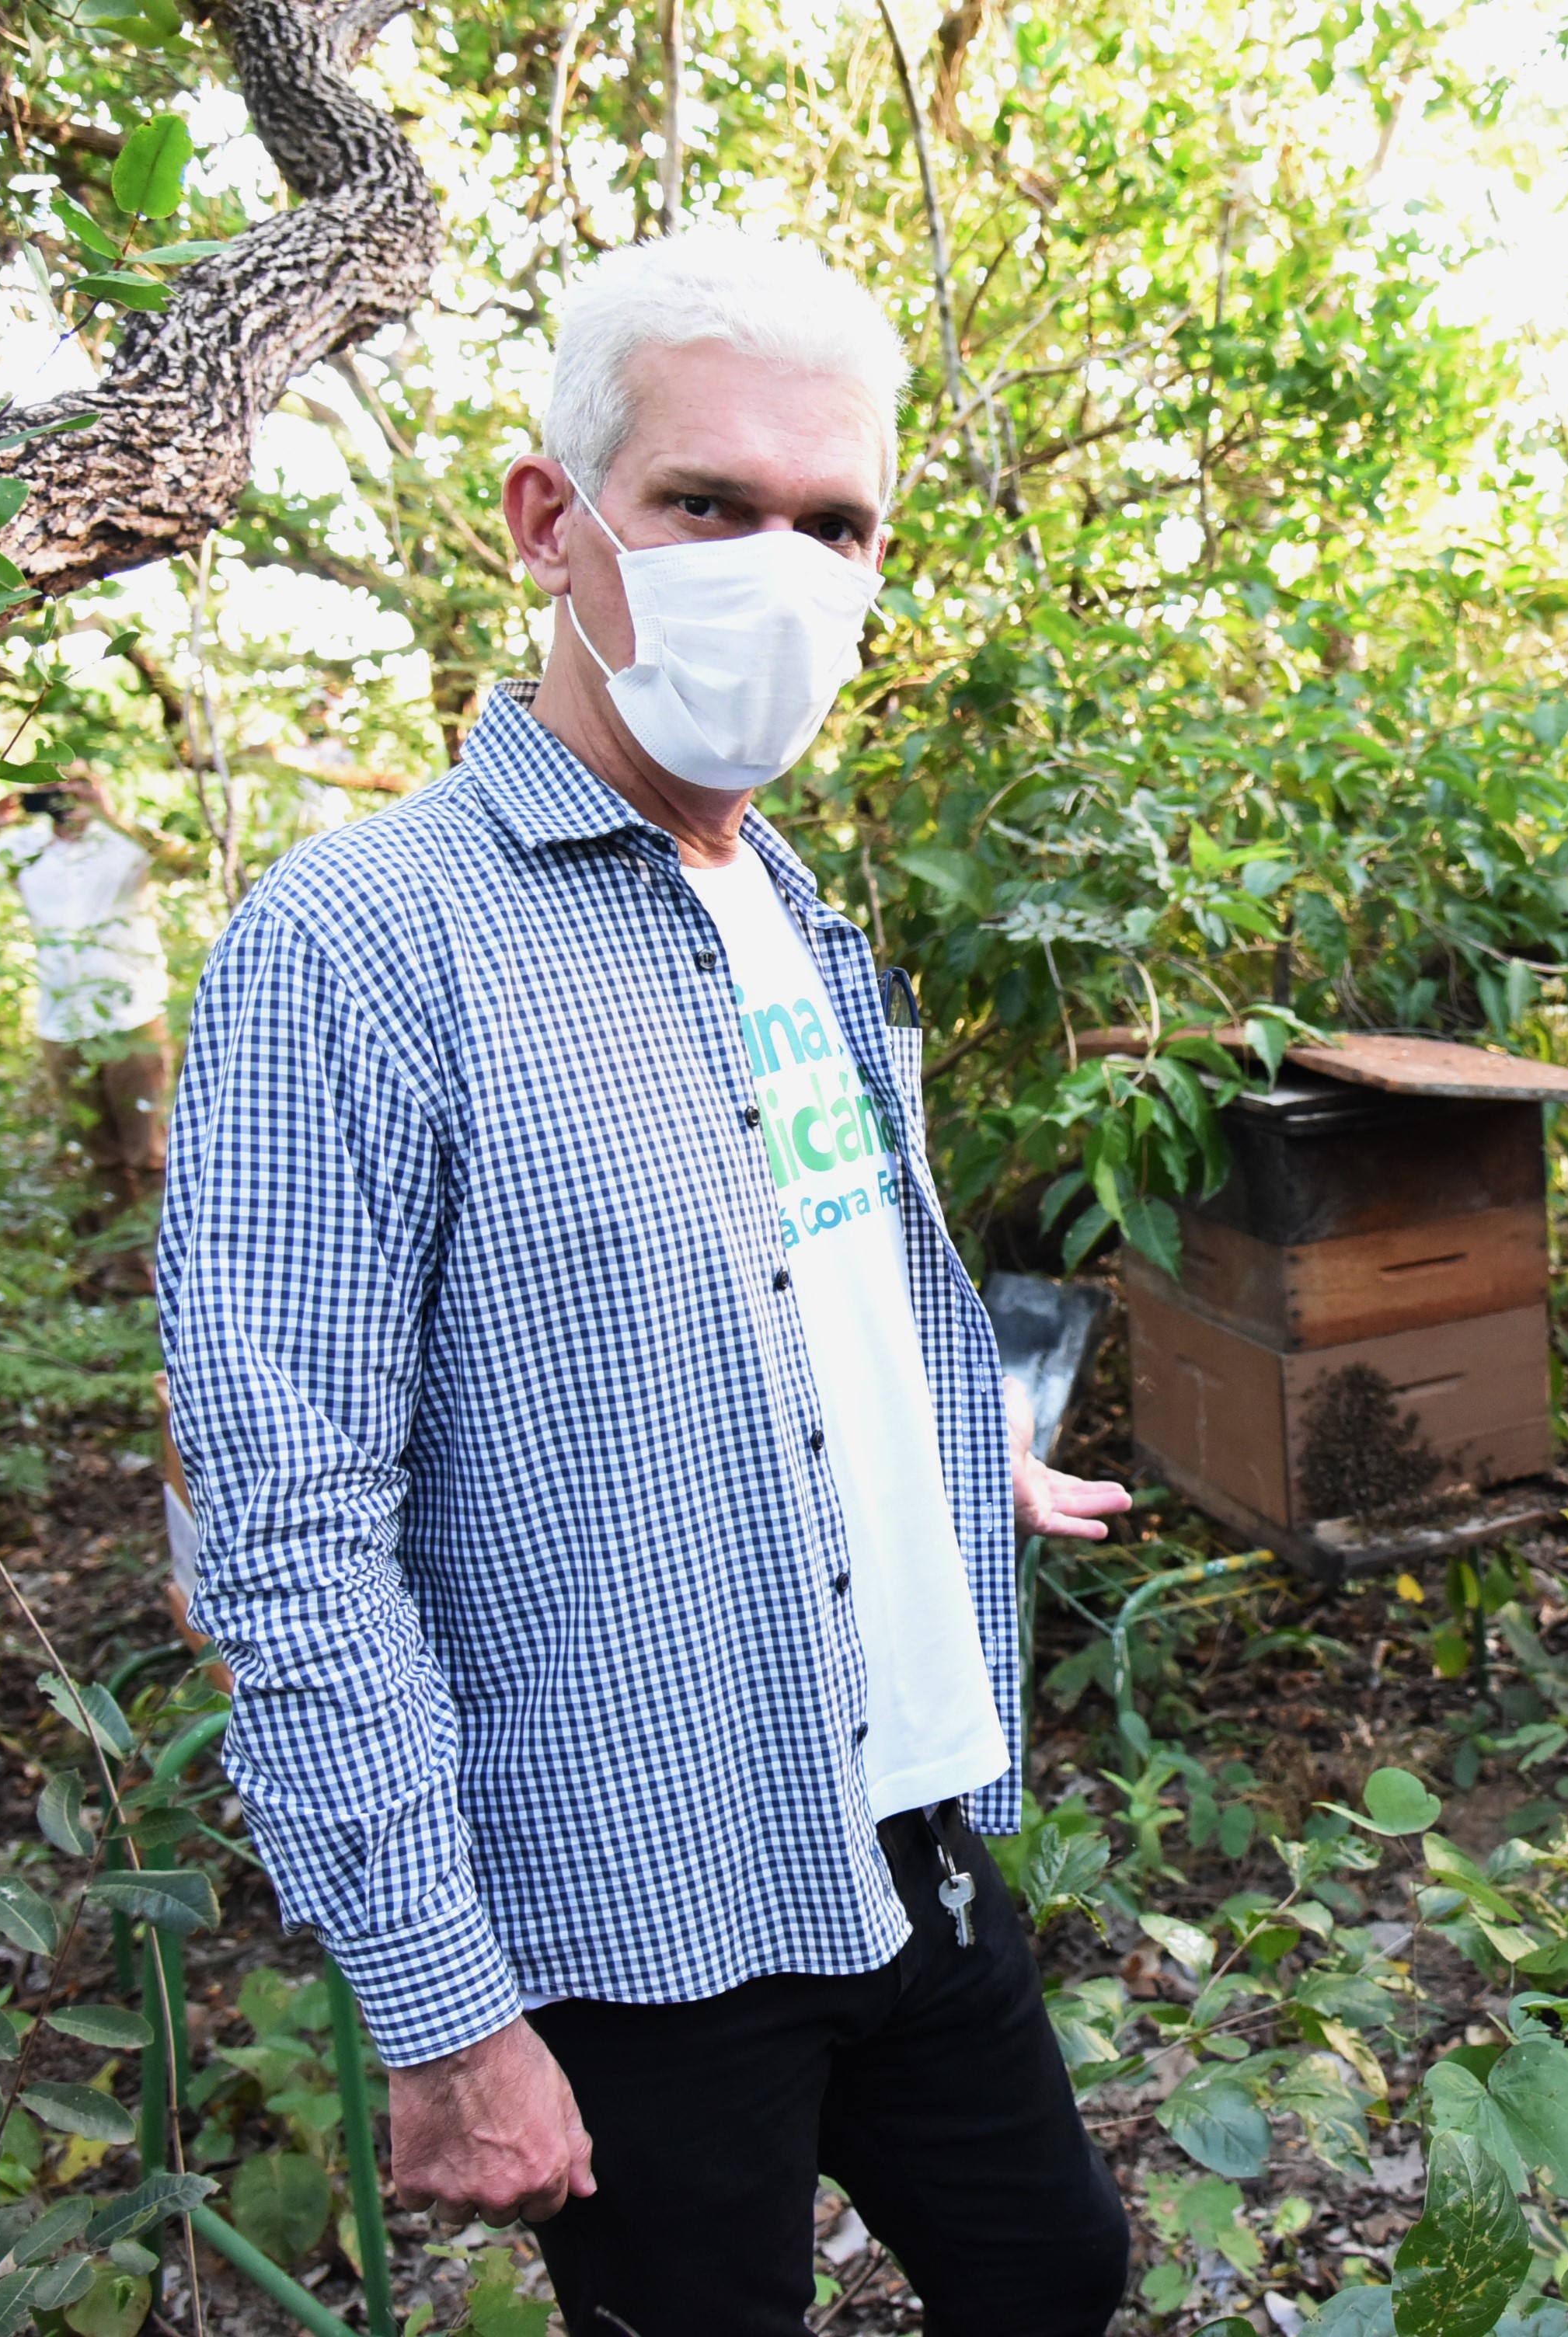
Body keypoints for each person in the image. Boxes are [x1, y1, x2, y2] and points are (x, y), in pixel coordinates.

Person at [159, 228, 1137, 2337]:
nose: (779, 569)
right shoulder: (357, 949)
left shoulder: (785, 900)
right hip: (632, 1905)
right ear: (552, 519)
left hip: (896, 1813)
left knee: (1054, 2271)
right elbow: (290, 1530)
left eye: (833, 523)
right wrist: (442, 2009)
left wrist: (953, 1443)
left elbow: (799, 1286)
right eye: (707, 502)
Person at [0, 775, 176, 1214]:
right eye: (48, 788)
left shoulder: (123, 840)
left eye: (73, 785)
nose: (61, 796)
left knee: (153, 1154)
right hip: (61, 1023)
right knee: (101, 1158)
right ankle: (120, 1252)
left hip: (132, 1016)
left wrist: (109, 813)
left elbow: (184, 864)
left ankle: (168, 1250)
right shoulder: (23, 848)